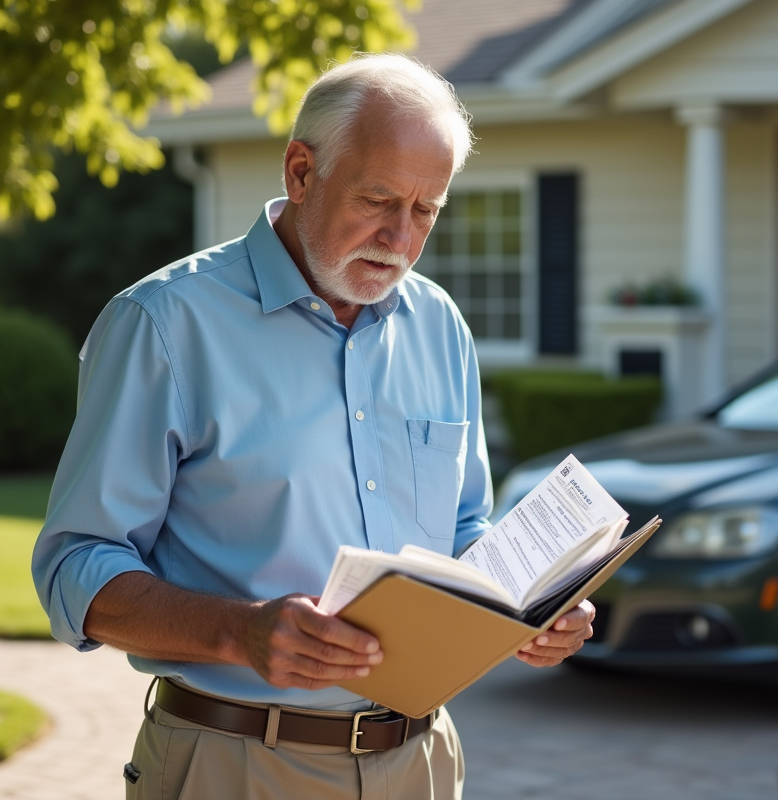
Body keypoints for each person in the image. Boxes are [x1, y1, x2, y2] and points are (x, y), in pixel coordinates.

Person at [31, 53, 595, 800]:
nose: (400, 237)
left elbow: (463, 534)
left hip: (422, 762)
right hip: (235, 764)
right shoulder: (164, 325)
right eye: (378, 199)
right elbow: (75, 570)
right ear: (302, 172)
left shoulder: (440, 327)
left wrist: (528, 610)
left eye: (426, 211)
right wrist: (242, 631)